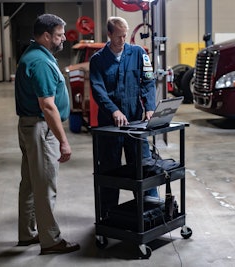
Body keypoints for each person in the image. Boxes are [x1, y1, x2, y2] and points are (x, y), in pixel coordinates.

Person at [15, 14, 80, 255]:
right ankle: (50, 240)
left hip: (31, 126)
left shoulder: (37, 55)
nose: (64, 38)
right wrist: (63, 140)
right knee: (45, 185)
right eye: (59, 34)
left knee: (31, 183)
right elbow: (48, 105)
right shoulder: (40, 62)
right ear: (46, 36)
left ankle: (28, 233)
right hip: (41, 129)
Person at [89, 16, 160, 217]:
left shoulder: (138, 53)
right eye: (118, 36)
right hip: (110, 126)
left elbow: (147, 81)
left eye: (125, 35)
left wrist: (150, 107)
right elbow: (98, 90)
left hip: (136, 122)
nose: (123, 39)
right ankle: (109, 214)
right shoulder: (98, 60)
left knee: (143, 167)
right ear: (109, 34)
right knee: (110, 171)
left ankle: (150, 213)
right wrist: (113, 110)